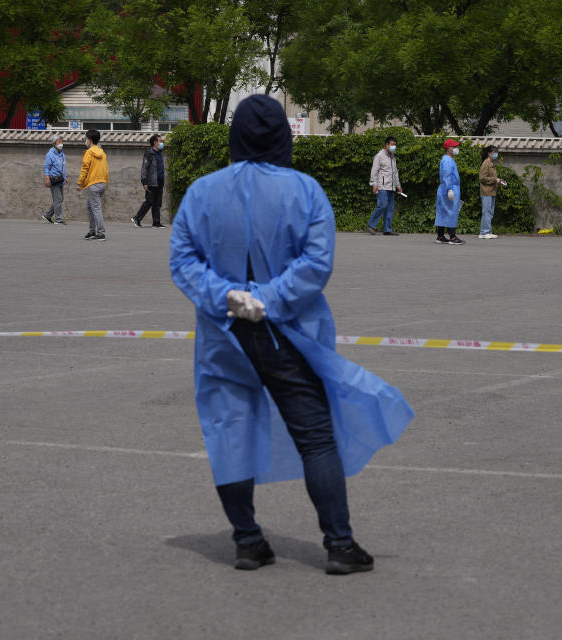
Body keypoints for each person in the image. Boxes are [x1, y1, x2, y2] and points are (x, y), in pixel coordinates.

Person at [170, 95, 413, 575]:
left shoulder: (201, 192)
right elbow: (316, 263)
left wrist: (227, 296)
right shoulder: (305, 191)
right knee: (317, 438)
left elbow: (183, 259)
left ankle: (247, 541)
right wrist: (268, 299)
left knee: (229, 432)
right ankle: (339, 545)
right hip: (287, 335)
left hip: (224, 334)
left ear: (236, 136)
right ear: (284, 136)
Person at [365, 136, 402, 235]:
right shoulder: (379, 156)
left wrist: (398, 185)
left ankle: (387, 229)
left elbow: (395, 173)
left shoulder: (392, 157)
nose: (393, 147)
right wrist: (374, 184)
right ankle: (370, 225)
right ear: (386, 145)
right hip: (382, 186)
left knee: (390, 208)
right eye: (391, 145)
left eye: (394, 145)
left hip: (391, 186)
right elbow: (374, 171)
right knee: (382, 205)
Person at [77, 129, 109, 241]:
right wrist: (106, 183)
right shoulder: (103, 153)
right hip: (102, 183)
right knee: (90, 207)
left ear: (89, 140)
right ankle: (92, 231)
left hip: (93, 184)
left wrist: (80, 183)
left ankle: (100, 233)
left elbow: (84, 169)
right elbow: (106, 170)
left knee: (95, 208)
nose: (86, 141)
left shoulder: (89, 153)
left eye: (86, 139)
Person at [435, 139, 465, 244]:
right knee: (452, 212)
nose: (456, 148)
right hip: (450, 188)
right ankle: (452, 237)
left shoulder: (447, 159)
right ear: (449, 148)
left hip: (445, 189)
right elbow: (446, 176)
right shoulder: (447, 160)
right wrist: (450, 189)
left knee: (443, 212)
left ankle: (440, 236)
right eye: (454, 146)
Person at [132, 134, 166, 229]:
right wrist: (144, 181)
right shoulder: (149, 154)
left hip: (160, 181)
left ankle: (156, 222)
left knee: (157, 203)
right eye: (160, 141)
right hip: (151, 181)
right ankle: (137, 218)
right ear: (155, 143)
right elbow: (144, 168)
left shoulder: (159, 153)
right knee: (149, 201)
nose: (161, 143)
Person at [478, 145, 506, 239]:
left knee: (489, 212)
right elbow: (482, 178)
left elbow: (490, 177)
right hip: (486, 191)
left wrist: (498, 180)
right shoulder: (486, 163)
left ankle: (487, 231)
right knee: (486, 212)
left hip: (491, 191)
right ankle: (484, 232)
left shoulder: (491, 163)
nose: (496, 154)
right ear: (490, 153)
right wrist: (495, 180)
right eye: (495, 152)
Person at [42, 136, 68, 224]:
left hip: (61, 179)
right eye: (58, 142)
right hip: (54, 179)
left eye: (61, 142)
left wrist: (66, 177)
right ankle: (59, 219)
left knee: (60, 199)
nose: (61, 144)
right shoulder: (50, 154)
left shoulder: (61, 153)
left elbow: (63, 167)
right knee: (58, 199)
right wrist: (47, 179)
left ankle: (47, 215)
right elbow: (46, 167)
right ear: (54, 144)